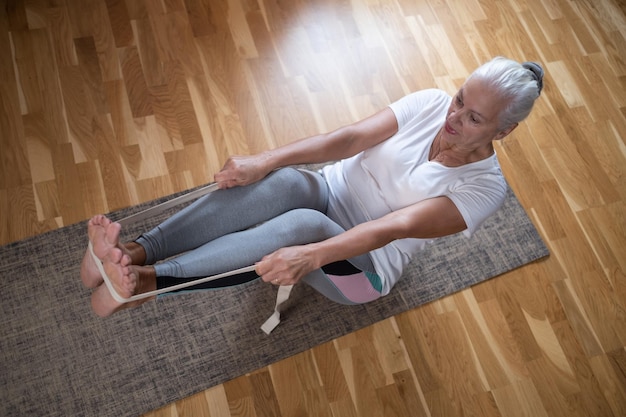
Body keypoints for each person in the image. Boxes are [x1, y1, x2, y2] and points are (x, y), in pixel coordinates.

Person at [81, 57, 544, 317]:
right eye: (460, 99)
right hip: (328, 193)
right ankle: (137, 252)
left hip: (366, 269)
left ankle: (142, 284)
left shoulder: (484, 190)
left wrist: (311, 255)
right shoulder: (431, 104)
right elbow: (348, 139)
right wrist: (264, 160)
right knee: (287, 182)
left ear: (503, 132)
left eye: (473, 118)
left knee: (305, 225)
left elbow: (392, 228)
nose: (453, 118)